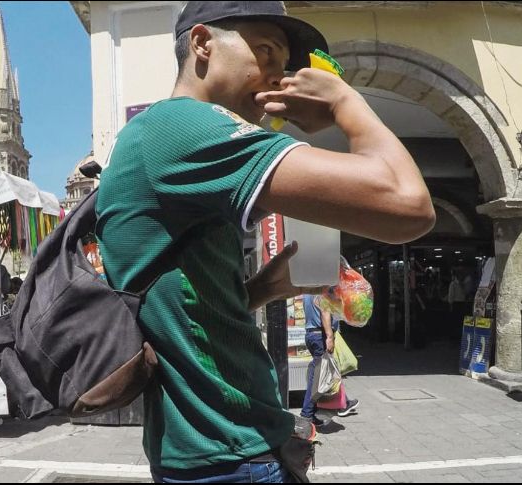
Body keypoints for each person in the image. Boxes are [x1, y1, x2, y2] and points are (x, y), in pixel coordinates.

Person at [95, 2, 435, 482]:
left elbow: (176, 313)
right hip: (229, 455)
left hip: (214, 450)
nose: (277, 77)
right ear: (202, 43)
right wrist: (345, 102)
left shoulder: (157, 136)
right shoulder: (185, 128)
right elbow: (409, 206)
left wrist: (263, 290)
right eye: (265, 51)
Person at [300, 294, 359, 426]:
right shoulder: (323, 290)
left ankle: (317, 411)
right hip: (320, 336)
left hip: (311, 334)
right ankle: (306, 415)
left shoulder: (308, 292)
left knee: (320, 373)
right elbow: (325, 312)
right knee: (317, 378)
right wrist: (329, 337)